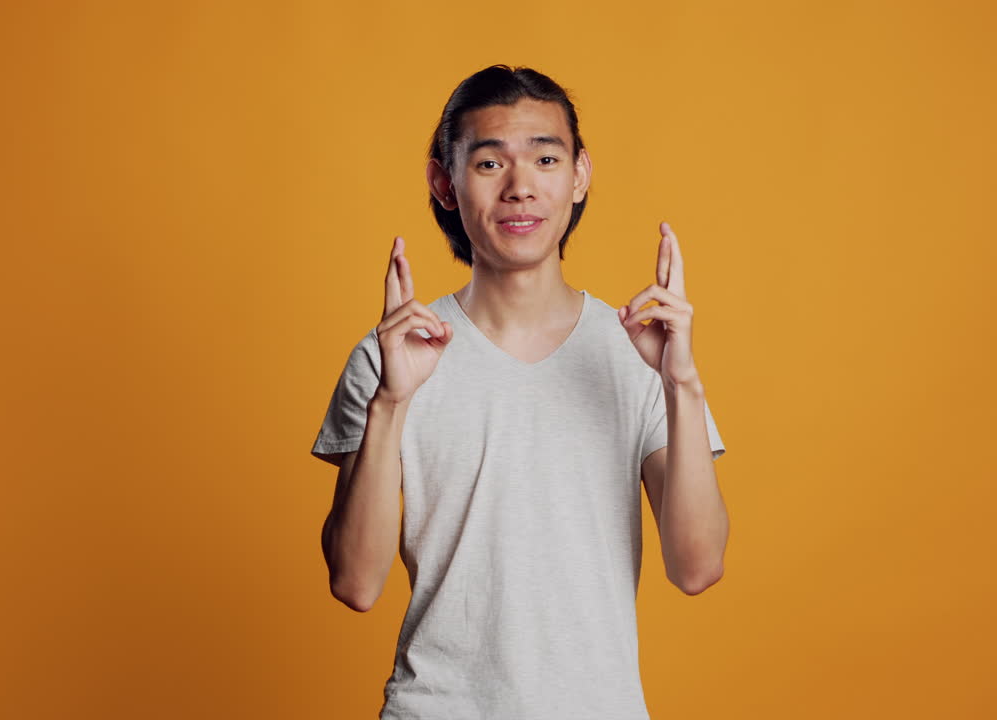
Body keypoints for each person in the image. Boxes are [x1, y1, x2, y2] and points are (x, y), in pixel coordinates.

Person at [310, 64, 729, 720]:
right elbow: (355, 583)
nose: (521, 188)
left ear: (579, 175)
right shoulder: (392, 355)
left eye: (545, 157)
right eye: (488, 164)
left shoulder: (637, 353)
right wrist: (390, 403)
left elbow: (697, 567)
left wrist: (681, 384)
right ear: (443, 183)